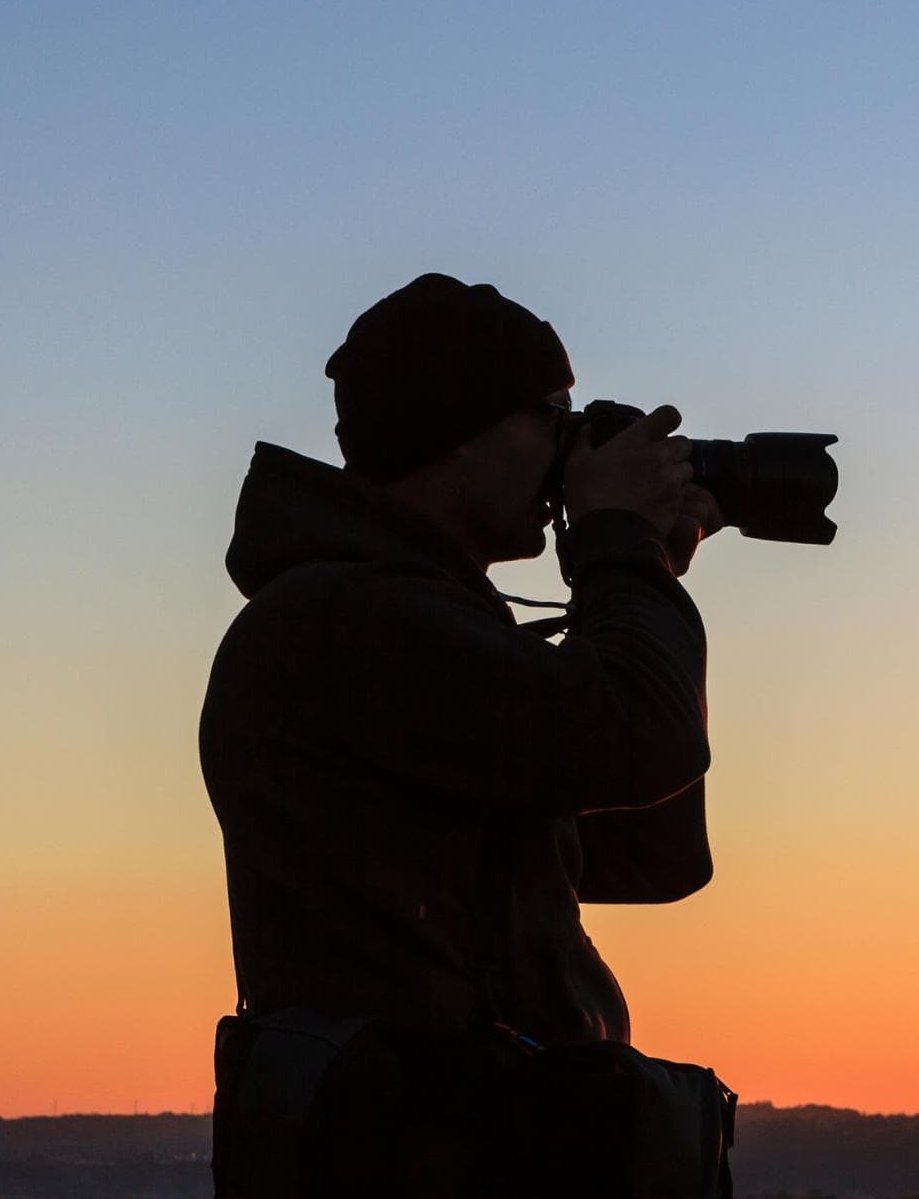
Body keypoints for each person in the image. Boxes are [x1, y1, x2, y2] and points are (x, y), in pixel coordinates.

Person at [200, 273, 726, 1194]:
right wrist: (619, 551)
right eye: (554, 416)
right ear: (459, 432)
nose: (571, 446)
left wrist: (638, 572)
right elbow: (644, 741)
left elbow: (655, 852)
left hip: (467, 1142)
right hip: (425, 1157)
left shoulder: (415, 625)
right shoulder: (354, 623)